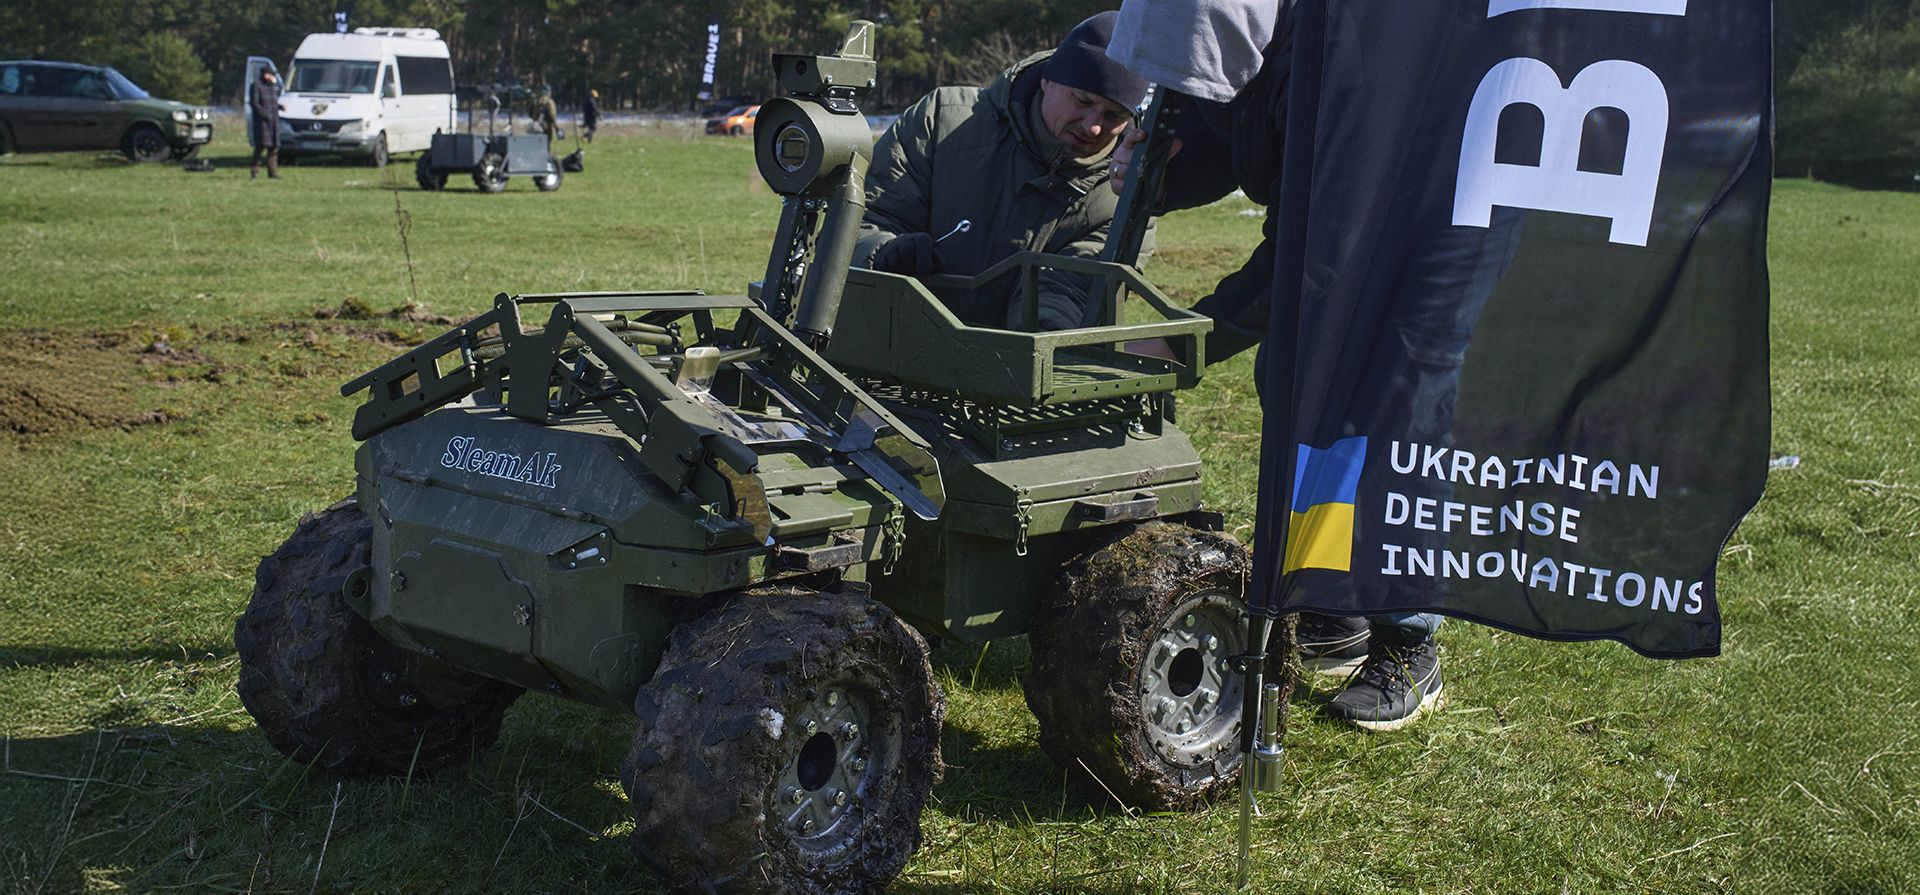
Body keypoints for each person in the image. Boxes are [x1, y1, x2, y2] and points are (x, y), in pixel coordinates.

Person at [1106, 0, 1450, 733]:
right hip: (1335, 216)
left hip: (1428, 226)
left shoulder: (1340, 63)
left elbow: (1311, 249)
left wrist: (1186, 339)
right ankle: (1336, 597)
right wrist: (1163, 169)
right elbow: (1228, 132)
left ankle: (1409, 640)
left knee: (1384, 406)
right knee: (1292, 384)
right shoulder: (1249, 33)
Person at [855, 11, 1150, 333]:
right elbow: (865, 219)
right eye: (1082, 101)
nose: (1093, 127)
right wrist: (885, 253)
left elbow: (1074, 286)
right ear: (1047, 80)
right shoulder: (942, 121)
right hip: (896, 340)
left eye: (1113, 115)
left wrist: (1043, 338)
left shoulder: (1127, 189)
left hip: (1016, 366)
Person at [250, 68, 281, 180]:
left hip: (274, 122)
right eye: (272, 75)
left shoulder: (272, 87)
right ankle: (254, 171)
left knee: (274, 148)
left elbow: (273, 103)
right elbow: (255, 103)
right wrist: (264, 114)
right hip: (263, 123)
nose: (274, 77)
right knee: (260, 147)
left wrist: (280, 107)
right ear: (266, 75)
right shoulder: (256, 86)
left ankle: (273, 173)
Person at [529, 85, 560, 150]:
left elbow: (533, 115)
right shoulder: (549, 102)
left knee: (538, 146)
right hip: (546, 127)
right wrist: (557, 128)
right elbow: (552, 116)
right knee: (547, 146)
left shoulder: (537, 101)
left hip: (537, 127)